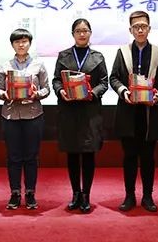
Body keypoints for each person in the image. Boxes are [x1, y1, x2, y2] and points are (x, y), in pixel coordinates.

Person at [110, 11, 158, 212]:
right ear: (130, 30)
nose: (140, 30)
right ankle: (129, 196)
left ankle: (148, 196)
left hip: (150, 113)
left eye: (143, 26)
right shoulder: (122, 52)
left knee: (148, 157)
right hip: (128, 112)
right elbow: (114, 78)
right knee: (129, 156)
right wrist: (123, 91)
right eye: (136, 27)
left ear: (149, 29)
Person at [53, 18, 109, 213]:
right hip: (69, 111)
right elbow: (56, 80)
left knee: (88, 154)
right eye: (78, 31)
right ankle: (75, 193)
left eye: (85, 30)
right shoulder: (63, 55)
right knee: (72, 153)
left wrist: (92, 93)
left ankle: (86, 195)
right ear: (73, 34)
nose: (82, 34)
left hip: (89, 112)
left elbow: (104, 82)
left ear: (90, 33)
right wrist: (61, 91)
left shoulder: (98, 56)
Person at [0, 29, 50, 210]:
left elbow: (47, 89)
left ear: (30, 44)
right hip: (10, 115)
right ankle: (15, 193)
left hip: (33, 115)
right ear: (12, 44)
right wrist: (4, 94)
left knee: (31, 157)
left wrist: (36, 94)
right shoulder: (5, 66)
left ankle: (31, 193)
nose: (21, 44)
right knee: (13, 157)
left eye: (24, 41)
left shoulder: (39, 65)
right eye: (17, 42)